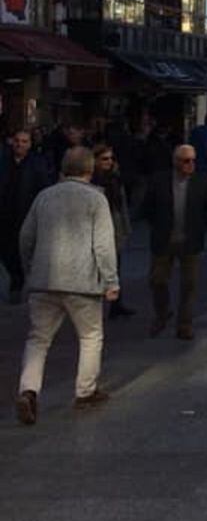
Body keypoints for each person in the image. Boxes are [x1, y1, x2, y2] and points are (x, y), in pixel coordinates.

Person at [15, 146, 119, 424]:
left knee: (38, 339)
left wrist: (30, 270)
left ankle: (28, 389)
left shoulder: (44, 197)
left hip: (44, 280)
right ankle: (85, 390)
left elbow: (25, 237)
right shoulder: (96, 199)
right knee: (90, 336)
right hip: (82, 282)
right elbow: (103, 245)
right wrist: (110, 280)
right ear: (90, 169)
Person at [140, 143, 207, 341]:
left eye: (193, 161)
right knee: (157, 280)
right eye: (185, 161)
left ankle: (185, 324)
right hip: (163, 238)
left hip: (190, 239)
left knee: (189, 284)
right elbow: (147, 207)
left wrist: (201, 226)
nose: (190, 165)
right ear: (175, 162)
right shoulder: (159, 181)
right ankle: (163, 311)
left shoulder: (202, 181)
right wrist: (156, 225)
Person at [0, 130, 51, 303]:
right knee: (6, 252)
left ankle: (19, 282)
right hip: (5, 215)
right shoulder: (3, 161)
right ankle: (17, 277)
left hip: (26, 215)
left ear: (30, 144)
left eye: (24, 141)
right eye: (17, 141)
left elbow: (43, 188)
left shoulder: (37, 163)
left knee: (24, 251)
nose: (20, 144)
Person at [92, 142, 135, 318]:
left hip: (114, 226)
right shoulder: (92, 180)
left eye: (111, 158)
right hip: (97, 228)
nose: (108, 162)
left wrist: (126, 227)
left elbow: (122, 204)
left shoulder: (115, 178)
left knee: (115, 267)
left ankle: (116, 304)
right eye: (104, 159)